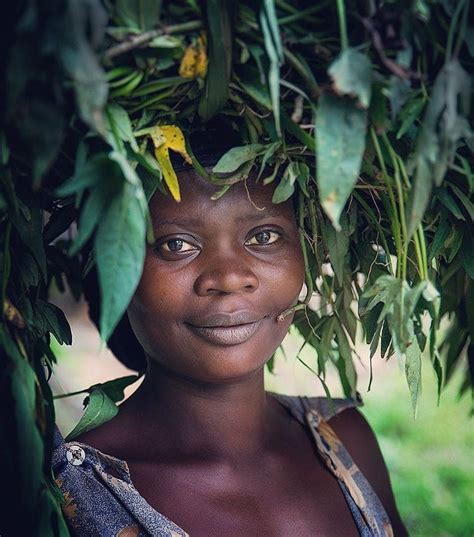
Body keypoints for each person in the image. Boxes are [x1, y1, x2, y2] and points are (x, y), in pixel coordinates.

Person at [52, 144, 408, 536]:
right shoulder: (72, 496)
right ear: (117, 269)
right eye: (176, 244)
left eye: (264, 236)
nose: (229, 278)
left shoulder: (347, 440)